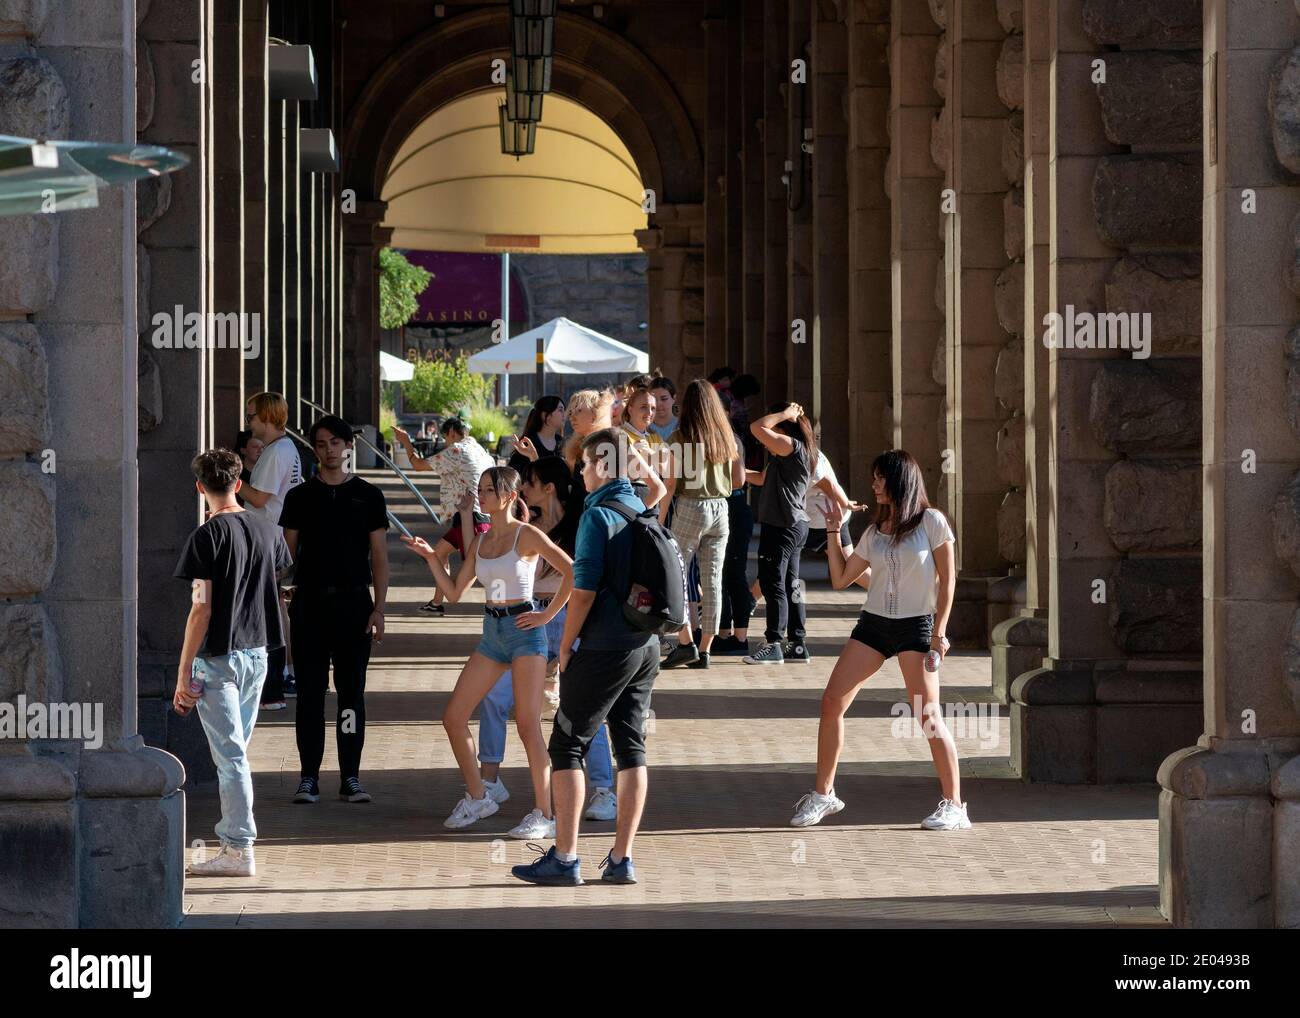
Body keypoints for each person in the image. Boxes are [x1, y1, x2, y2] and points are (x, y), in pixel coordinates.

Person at [512, 428, 659, 886]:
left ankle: (566, 857)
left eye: (587, 463)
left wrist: (565, 644)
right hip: (645, 643)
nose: (579, 470)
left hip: (604, 645)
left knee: (567, 744)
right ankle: (621, 860)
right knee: (631, 748)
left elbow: (582, 589)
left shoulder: (597, 517)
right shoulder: (640, 504)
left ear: (605, 466)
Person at [791, 450, 968, 831]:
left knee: (927, 714)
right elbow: (841, 579)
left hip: (916, 627)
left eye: (879, 478)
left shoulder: (932, 522)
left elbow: (949, 580)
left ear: (899, 480)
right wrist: (835, 530)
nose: (873, 485)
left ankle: (955, 806)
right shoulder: (875, 532)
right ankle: (824, 795)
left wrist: (939, 632)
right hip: (873, 625)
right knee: (831, 702)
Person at [404, 466, 574, 837]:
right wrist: (432, 557)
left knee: (529, 725)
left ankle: (545, 814)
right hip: (492, 633)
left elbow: (573, 571)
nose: (481, 495)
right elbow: (453, 593)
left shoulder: (526, 535)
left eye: (488, 490)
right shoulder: (480, 541)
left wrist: (546, 613)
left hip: (525, 633)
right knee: (453, 716)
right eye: (480, 489)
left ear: (509, 496)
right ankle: (480, 796)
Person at [475, 458, 619, 822]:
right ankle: (489, 780)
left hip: (567, 618)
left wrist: (553, 618)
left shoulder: (581, 523)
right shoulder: (527, 528)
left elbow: (581, 576)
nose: (524, 488)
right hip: (524, 620)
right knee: (494, 697)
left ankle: (603, 789)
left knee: (581, 705)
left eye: (531, 482)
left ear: (549, 487)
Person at [173, 448, 291, 877]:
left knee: (231, 757)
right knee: (237, 753)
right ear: (239, 483)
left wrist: (184, 670)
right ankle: (235, 845)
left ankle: (238, 848)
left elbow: (200, 609)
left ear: (200, 487)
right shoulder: (267, 529)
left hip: (218, 658)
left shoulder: (205, 537)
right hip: (257, 654)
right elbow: (276, 584)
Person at [280, 416, 389, 805]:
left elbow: (379, 556)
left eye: (335, 443)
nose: (328, 450)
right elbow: (286, 555)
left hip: (354, 604)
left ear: (348, 447)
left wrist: (379, 609)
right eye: (321, 444)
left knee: (350, 694)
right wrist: (273, 584)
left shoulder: (369, 496)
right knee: (310, 693)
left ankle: (350, 777)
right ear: (315, 450)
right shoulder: (299, 497)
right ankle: (308, 776)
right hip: (309, 604)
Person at [659, 379, 742, 670]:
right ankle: (705, 649)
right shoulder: (726, 437)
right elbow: (738, 480)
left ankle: (685, 642)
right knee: (713, 580)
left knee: (676, 574)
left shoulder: (679, 438)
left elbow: (669, 484)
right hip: (721, 508)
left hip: (690, 505)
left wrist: (659, 518)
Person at [395, 416, 495, 616]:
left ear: (451, 433)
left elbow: (418, 465)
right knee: (440, 553)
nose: (445, 443)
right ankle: (436, 603)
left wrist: (406, 443)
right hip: (478, 515)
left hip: (470, 517)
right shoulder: (482, 452)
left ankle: (495, 604)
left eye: (445, 438)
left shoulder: (457, 450)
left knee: (476, 570)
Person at [241, 391, 303, 708]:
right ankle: (278, 683)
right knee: (273, 614)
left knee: (266, 619)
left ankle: (272, 689)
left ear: (266, 416)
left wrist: (230, 481)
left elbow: (261, 498)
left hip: (264, 542)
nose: (247, 419)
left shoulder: (276, 452)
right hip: (273, 540)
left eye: (251, 414)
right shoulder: (286, 448)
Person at [744, 402, 816, 666]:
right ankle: (797, 644)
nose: (767, 439)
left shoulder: (792, 447)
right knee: (791, 584)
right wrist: (738, 473)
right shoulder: (794, 453)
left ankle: (774, 642)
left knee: (773, 584)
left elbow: (756, 428)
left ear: (786, 431)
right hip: (794, 524)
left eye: (777, 429)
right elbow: (763, 478)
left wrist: (786, 414)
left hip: (782, 525)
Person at [508, 395, 566, 473]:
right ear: (546, 416)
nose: (564, 414)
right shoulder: (527, 443)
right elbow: (514, 476)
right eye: (560, 410)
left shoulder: (562, 442)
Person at [648, 376, 678, 440]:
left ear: (674, 398)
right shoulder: (642, 428)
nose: (658, 403)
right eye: (654, 399)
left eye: (664, 399)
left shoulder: (682, 427)